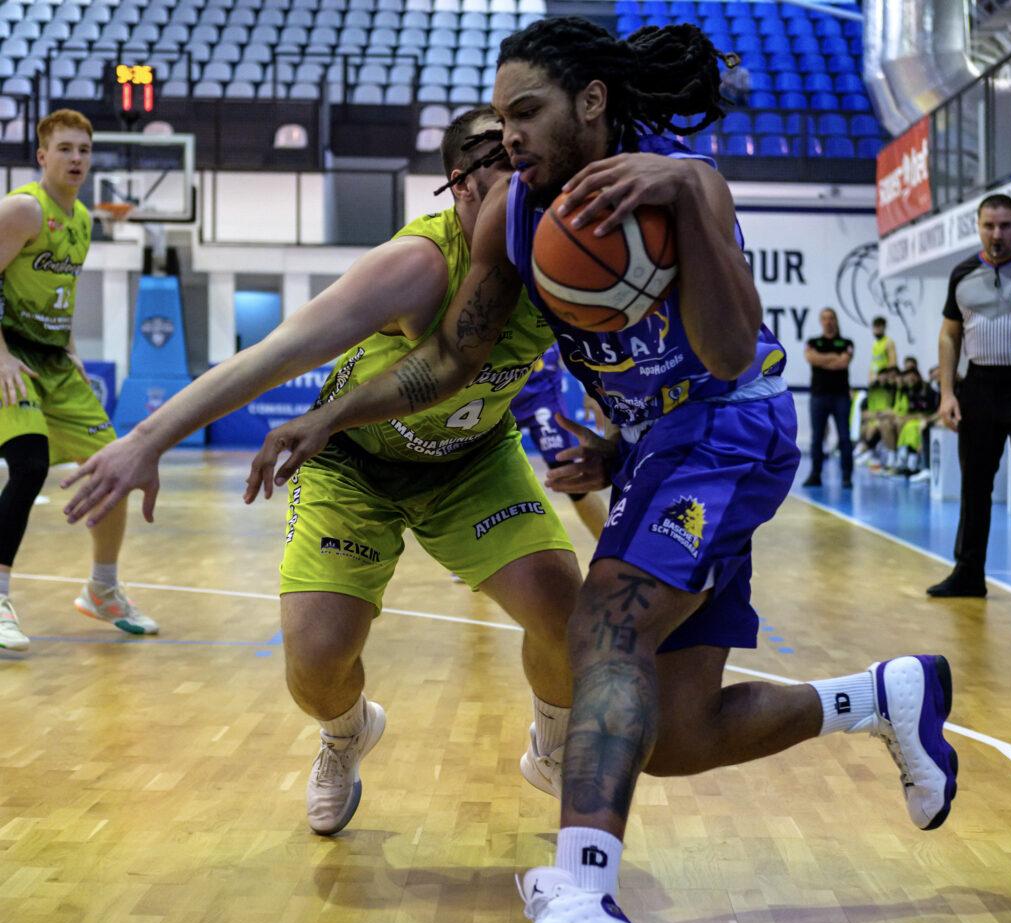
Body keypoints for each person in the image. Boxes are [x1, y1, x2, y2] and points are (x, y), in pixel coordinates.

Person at [234, 19, 959, 923]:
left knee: (603, 623)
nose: (509, 135)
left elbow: (726, 356)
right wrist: (331, 416)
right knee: (675, 735)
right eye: (499, 119)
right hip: (659, 446)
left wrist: (690, 198)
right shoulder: (517, 210)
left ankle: (583, 901)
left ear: (591, 101)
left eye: (526, 112)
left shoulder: (683, 184)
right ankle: (882, 697)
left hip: (730, 429)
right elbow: (452, 357)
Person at [61, 108, 581, 834]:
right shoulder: (419, 264)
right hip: (352, 464)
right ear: (461, 185)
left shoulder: (558, 253)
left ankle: (552, 746)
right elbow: (278, 352)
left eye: (532, 165)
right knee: (315, 662)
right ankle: (345, 733)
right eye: (505, 168)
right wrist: (146, 438)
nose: (526, 183)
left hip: (471, 462)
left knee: (568, 614)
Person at [0, 109, 158, 652]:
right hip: (9, 356)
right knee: (28, 465)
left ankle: (103, 591)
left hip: (54, 361)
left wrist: (72, 353)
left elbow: (57, 296)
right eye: (65, 149)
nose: (76, 159)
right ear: (42, 156)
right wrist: (1, 357)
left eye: (84, 150)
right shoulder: (23, 210)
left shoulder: (84, 219)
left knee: (114, 470)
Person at [928, 193, 1011, 599]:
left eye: (1004, 225)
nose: (996, 233)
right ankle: (968, 574)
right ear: (978, 227)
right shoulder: (963, 273)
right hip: (979, 387)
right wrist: (948, 394)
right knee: (975, 486)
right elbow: (950, 336)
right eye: (989, 225)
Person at [511, 344, 607, 538]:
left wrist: (591, 390)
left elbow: (576, 334)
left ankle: (613, 547)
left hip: (541, 392)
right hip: (495, 393)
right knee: (483, 478)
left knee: (572, 478)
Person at [802, 306, 854, 488]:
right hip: (818, 396)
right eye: (824, 318)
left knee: (844, 437)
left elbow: (843, 363)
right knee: (817, 438)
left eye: (831, 317)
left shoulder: (846, 342)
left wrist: (822, 359)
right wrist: (833, 358)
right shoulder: (813, 342)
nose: (828, 321)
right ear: (820, 321)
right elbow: (811, 358)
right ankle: (815, 474)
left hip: (841, 396)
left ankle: (847, 476)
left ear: (835, 320)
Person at [868, 315, 898, 383]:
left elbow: (892, 363)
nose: (876, 329)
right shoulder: (875, 343)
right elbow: (874, 363)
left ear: (884, 328)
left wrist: (887, 378)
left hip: (884, 380)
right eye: (875, 327)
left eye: (879, 327)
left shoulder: (888, 342)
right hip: (874, 380)